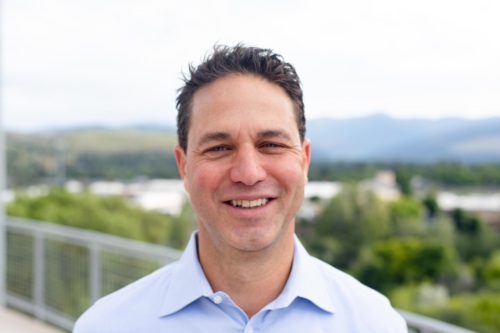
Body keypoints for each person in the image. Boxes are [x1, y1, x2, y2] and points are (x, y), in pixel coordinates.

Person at [74, 44, 407, 332]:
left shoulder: (375, 324)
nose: (248, 173)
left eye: (271, 144)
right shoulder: (106, 327)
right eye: (219, 148)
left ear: (304, 161)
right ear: (184, 167)